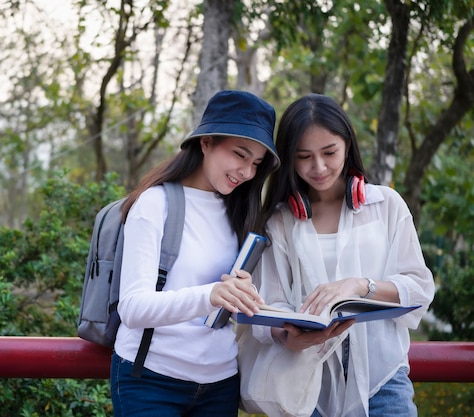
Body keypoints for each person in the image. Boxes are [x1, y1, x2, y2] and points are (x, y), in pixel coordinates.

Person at [254, 93, 435, 417]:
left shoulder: (386, 205)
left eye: (329, 152)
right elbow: (271, 303)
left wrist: (358, 285)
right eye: (304, 156)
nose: (319, 167)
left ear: (347, 145)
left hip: (383, 377)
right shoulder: (281, 221)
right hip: (308, 382)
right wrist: (290, 337)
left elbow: (419, 287)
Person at [110, 90, 280, 417]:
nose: (246, 172)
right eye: (240, 155)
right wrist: (213, 294)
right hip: (150, 380)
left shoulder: (241, 209)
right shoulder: (154, 203)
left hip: (220, 381)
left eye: (256, 163)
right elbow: (132, 307)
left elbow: (227, 303)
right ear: (206, 142)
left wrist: (241, 292)